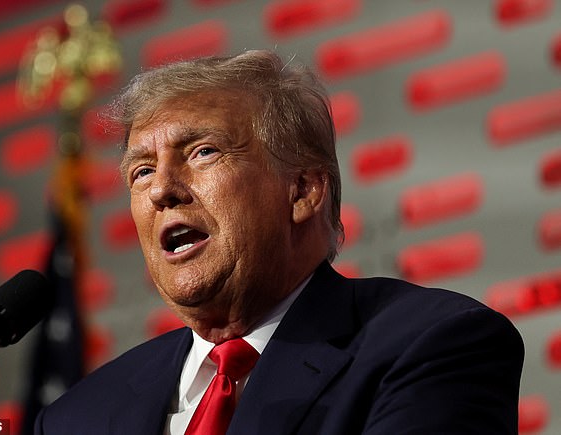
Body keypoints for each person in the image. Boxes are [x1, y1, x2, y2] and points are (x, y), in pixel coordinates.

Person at [34, 50, 524, 434]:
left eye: (203, 152)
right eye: (142, 171)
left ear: (304, 191)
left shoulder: (431, 347)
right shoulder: (74, 417)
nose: (162, 189)